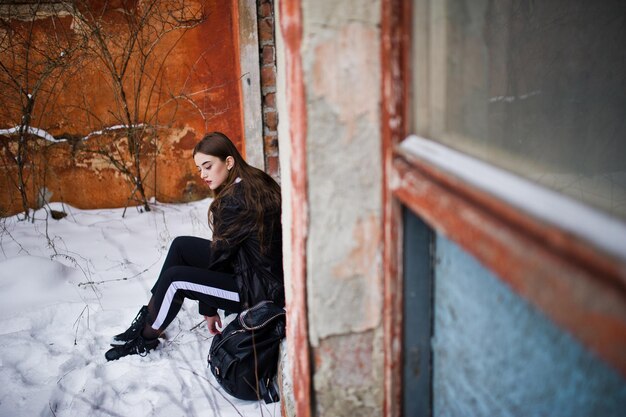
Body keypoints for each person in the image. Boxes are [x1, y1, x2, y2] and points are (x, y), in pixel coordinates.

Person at [105, 132, 284, 361]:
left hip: (260, 293)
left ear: (228, 162)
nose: (203, 175)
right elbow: (226, 252)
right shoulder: (252, 180)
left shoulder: (236, 199)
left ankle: (146, 337)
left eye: (208, 167)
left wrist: (208, 309)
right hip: (260, 272)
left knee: (176, 279)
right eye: (200, 168)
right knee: (181, 246)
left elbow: (220, 260)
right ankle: (149, 315)